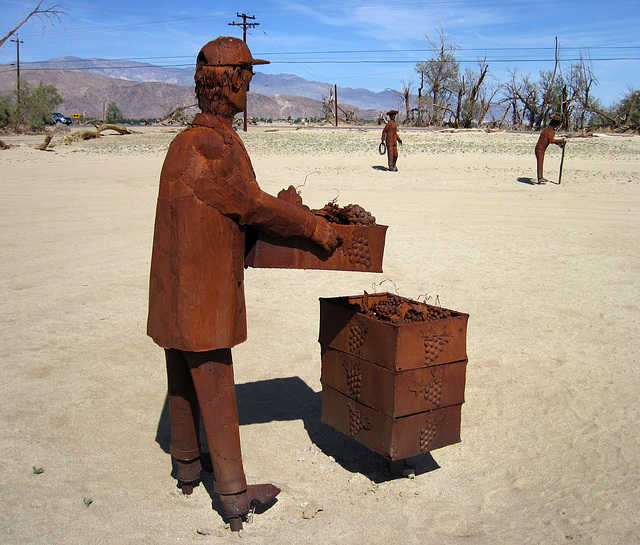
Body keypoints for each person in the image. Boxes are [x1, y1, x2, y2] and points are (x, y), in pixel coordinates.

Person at [147, 36, 339, 531]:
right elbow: (248, 203)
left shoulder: (185, 140)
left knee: (181, 368)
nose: (249, 92)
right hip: (201, 288)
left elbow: (236, 202)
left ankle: (187, 463)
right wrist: (308, 223)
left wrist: (283, 206)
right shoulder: (213, 142)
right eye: (247, 81)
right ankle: (233, 493)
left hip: (175, 289)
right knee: (212, 372)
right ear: (228, 83)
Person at [535, 114, 566, 184]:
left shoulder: (547, 130)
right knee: (540, 162)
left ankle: (540, 177)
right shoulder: (550, 131)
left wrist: (559, 144)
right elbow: (552, 141)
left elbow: (549, 140)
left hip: (541, 149)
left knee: (541, 162)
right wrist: (561, 141)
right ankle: (540, 178)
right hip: (540, 149)